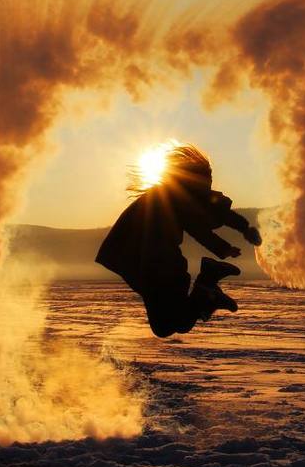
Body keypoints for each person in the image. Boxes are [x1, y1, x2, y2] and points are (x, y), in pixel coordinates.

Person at [95, 143, 262, 337]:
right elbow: (202, 222)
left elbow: (207, 219)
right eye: (206, 182)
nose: (208, 188)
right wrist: (230, 241)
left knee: (170, 325)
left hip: (156, 264)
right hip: (154, 263)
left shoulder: (170, 197)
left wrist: (235, 237)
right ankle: (208, 284)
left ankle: (208, 283)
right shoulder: (170, 198)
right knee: (172, 324)